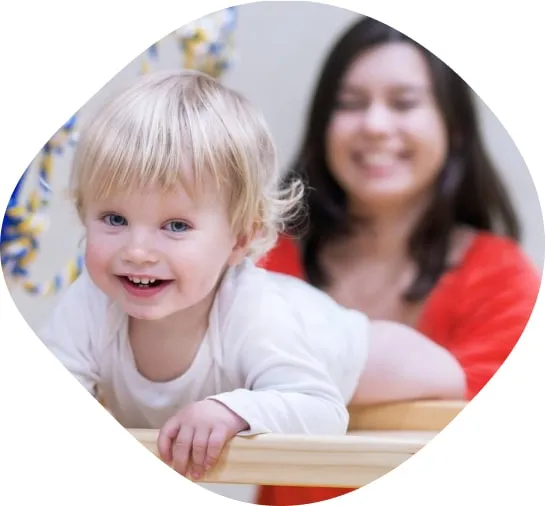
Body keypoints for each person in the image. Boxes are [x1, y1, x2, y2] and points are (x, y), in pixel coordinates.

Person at [37, 69, 465, 483]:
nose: (137, 251)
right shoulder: (89, 303)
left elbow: (323, 410)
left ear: (241, 240)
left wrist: (232, 411)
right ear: (83, 213)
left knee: (447, 377)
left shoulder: (254, 313)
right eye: (114, 218)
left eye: (176, 226)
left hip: (340, 344)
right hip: (280, 347)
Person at [255, 15, 542, 506]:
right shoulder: (261, 260)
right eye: (349, 104)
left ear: (453, 126)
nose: (375, 125)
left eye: (404, 103)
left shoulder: (504, 280)